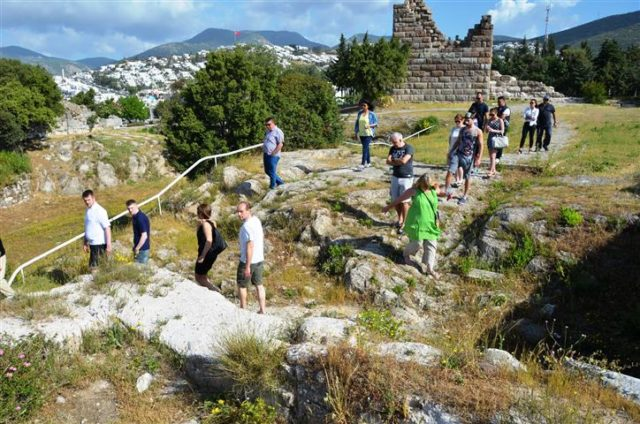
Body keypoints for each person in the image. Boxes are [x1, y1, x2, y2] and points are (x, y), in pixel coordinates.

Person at [382, 174, 444, 279]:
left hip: (430, 224)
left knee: (431, 246)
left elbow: (441, 192)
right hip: (416, 224)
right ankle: (406, 254)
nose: (426, 188)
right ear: (420, 183)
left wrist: (448, 195)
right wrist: (388, 207)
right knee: (417, 244)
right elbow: (399, 199)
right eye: (424, 186)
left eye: (428, 186)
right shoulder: (414, 191)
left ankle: (430, 269)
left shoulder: (433, 190)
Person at [444, 112, 484, 205]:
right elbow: (458, 141)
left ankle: (465, 196)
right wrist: (451, 151)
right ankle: (447, 191)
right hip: (458, 154)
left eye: (468, 120)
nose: (466, 121)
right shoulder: (462, 130)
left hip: (469, 157)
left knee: (467, 177)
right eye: (465, 119)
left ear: (473, 120)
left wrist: (479, 158)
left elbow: (481, 145)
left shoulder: (478, 131)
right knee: (450, 171)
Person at [236, 201, 266, 313]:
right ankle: (262, 310)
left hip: (248, 261)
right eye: (238, 212)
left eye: (241, 211)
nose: (239, 214)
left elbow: (250, 246)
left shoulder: (246, 227)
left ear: (248, 211)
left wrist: (247, 266)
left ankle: (243, 310)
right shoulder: (256, 220)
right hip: (259, 259)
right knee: (259, 284)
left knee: (242, 285)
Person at [386, 132, 415, 235]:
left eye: (395, 142)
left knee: (405, 201)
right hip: (395, 176)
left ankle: (405, 223)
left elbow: (404, 161)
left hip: (406, 177)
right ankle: (400, 219)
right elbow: (388, 161)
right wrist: (397, 161)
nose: (393, 144)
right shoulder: (392, 148)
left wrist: (394, 160)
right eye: (392, 142)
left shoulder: (409, 148)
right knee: (395, 200)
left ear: (401, 139)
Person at [194, 204, 221, 292]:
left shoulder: (205, 225)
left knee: (198, 277)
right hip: (211, 252)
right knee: (203, 275)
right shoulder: (212, 222)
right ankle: (211, 290)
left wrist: (202, 256)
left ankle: (214, 291)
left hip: (206, 252)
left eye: (198, 213)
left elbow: (209, 240)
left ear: (201, 214)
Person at [82, 189, 111, 269]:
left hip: (99, 244)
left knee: (96, 268)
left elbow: (107, 228)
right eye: (85, 200)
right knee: (93, 267)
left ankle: (102, 280)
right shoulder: (88, 210)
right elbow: (87, 227)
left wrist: (108, 245)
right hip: (92, 244)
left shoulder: (100, 211)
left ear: (93, 198)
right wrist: (85, 242)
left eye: (88, 200)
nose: (87, 202)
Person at [354, 99, 378, 171]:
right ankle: (369, 162)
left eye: (364, 105)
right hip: (361, 133)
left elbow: (376, 124)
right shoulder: (359, 113)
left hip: (369, 133)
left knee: (364, 148)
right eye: (362, 105)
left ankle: (362, 164)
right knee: (366, 148)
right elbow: (357, 123)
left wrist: (369, 126)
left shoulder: (372, 114)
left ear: (368, 106)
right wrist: (356, 132)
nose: (363, 107)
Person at [125, 199, 150, 264]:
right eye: (128, 209)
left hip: (142, 249)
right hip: (138, 248)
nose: (130, 210)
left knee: (142, 271)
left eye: (132, 208)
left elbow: (144, 235)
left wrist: (137, 248)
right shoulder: (135, 217)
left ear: (136, 206)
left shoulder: (140, 218)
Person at [263, 117, 285, 189]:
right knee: (267, 171)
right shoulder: (268, 131)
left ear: (273, 123)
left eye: (269, 124)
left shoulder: (278, 131)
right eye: (266, 125)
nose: (267, 126)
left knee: (272, 171)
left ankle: (272, 187)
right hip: (266, 154)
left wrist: (274, 153)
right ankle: (281, 183)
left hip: (273, 155)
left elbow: (280, 144)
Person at [485, 107, 504, 178]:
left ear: (496, 113)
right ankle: (494, 170)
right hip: (490, 138)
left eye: (493, 114)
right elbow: (486, 131)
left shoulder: (500, 120)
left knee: (493, 156)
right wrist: (486, 128)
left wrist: (493, 130)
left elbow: (502, 131)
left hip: (496, 139)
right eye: (490, 114)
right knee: (491, 156)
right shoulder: (489, 120)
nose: (491, 116)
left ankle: (491, 171)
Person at [447, 114, 465, 187]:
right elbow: (450, 138)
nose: (457, 122)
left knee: (459, 165)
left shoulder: (464, 128)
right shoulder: (453, 128)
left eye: (458, 121)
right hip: (452, 148)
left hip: (460, 149)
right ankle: (456, 179)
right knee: (453, 165)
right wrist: (450, 148)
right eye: (456, 121)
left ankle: (460, 180)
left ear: (462, 120)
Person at [495, 96, 511, 162]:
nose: (498, 103)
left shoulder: (506, 109)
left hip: (503, 127)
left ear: (504, 101)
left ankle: (498, 156)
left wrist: (495, 117)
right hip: (497, 126)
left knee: (500, 140)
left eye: (500, 102)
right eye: (498, 102)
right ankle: (498, 154)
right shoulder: (498, 108)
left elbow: (502, 117)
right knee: (496, 140)